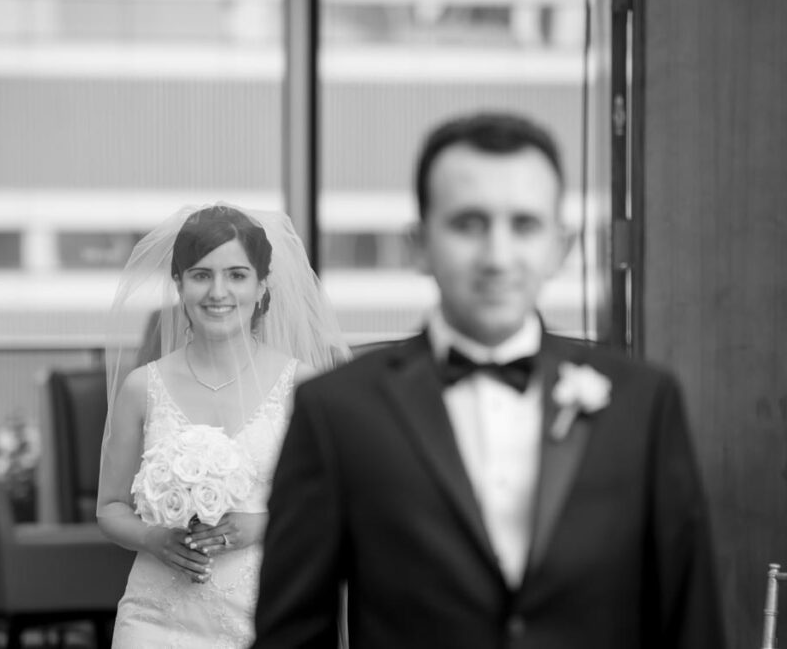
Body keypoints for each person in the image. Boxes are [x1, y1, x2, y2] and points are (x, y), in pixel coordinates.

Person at [253, 113, 725, 648]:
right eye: (468, 224)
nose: (497, 257)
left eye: (524, 225)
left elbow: (690, 622)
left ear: (561, 247)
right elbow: (291, 635)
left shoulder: (644, 404)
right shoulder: (337, 410)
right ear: (419, 244)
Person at [96, 204, 349, 648]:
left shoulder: (301, 386)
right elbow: (110, 508)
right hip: (154, 620)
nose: (218, 292)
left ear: (262, 285)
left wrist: (261, 525)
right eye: (201, 275)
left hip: (265, 613)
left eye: (236, 275)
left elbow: (334, 507)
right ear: (179, 284)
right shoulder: (142, 388)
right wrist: (154, 538)